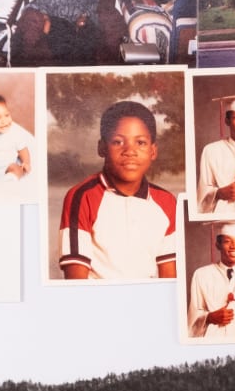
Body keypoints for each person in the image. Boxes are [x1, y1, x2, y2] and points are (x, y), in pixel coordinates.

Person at [57, 100, 178, 281]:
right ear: (102, 148)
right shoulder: (82, 197)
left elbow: (169, 277)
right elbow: (76, 283)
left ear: (153, 151)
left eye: (141, 142)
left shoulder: (166, 202)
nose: (130, 151)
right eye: (118, 141)